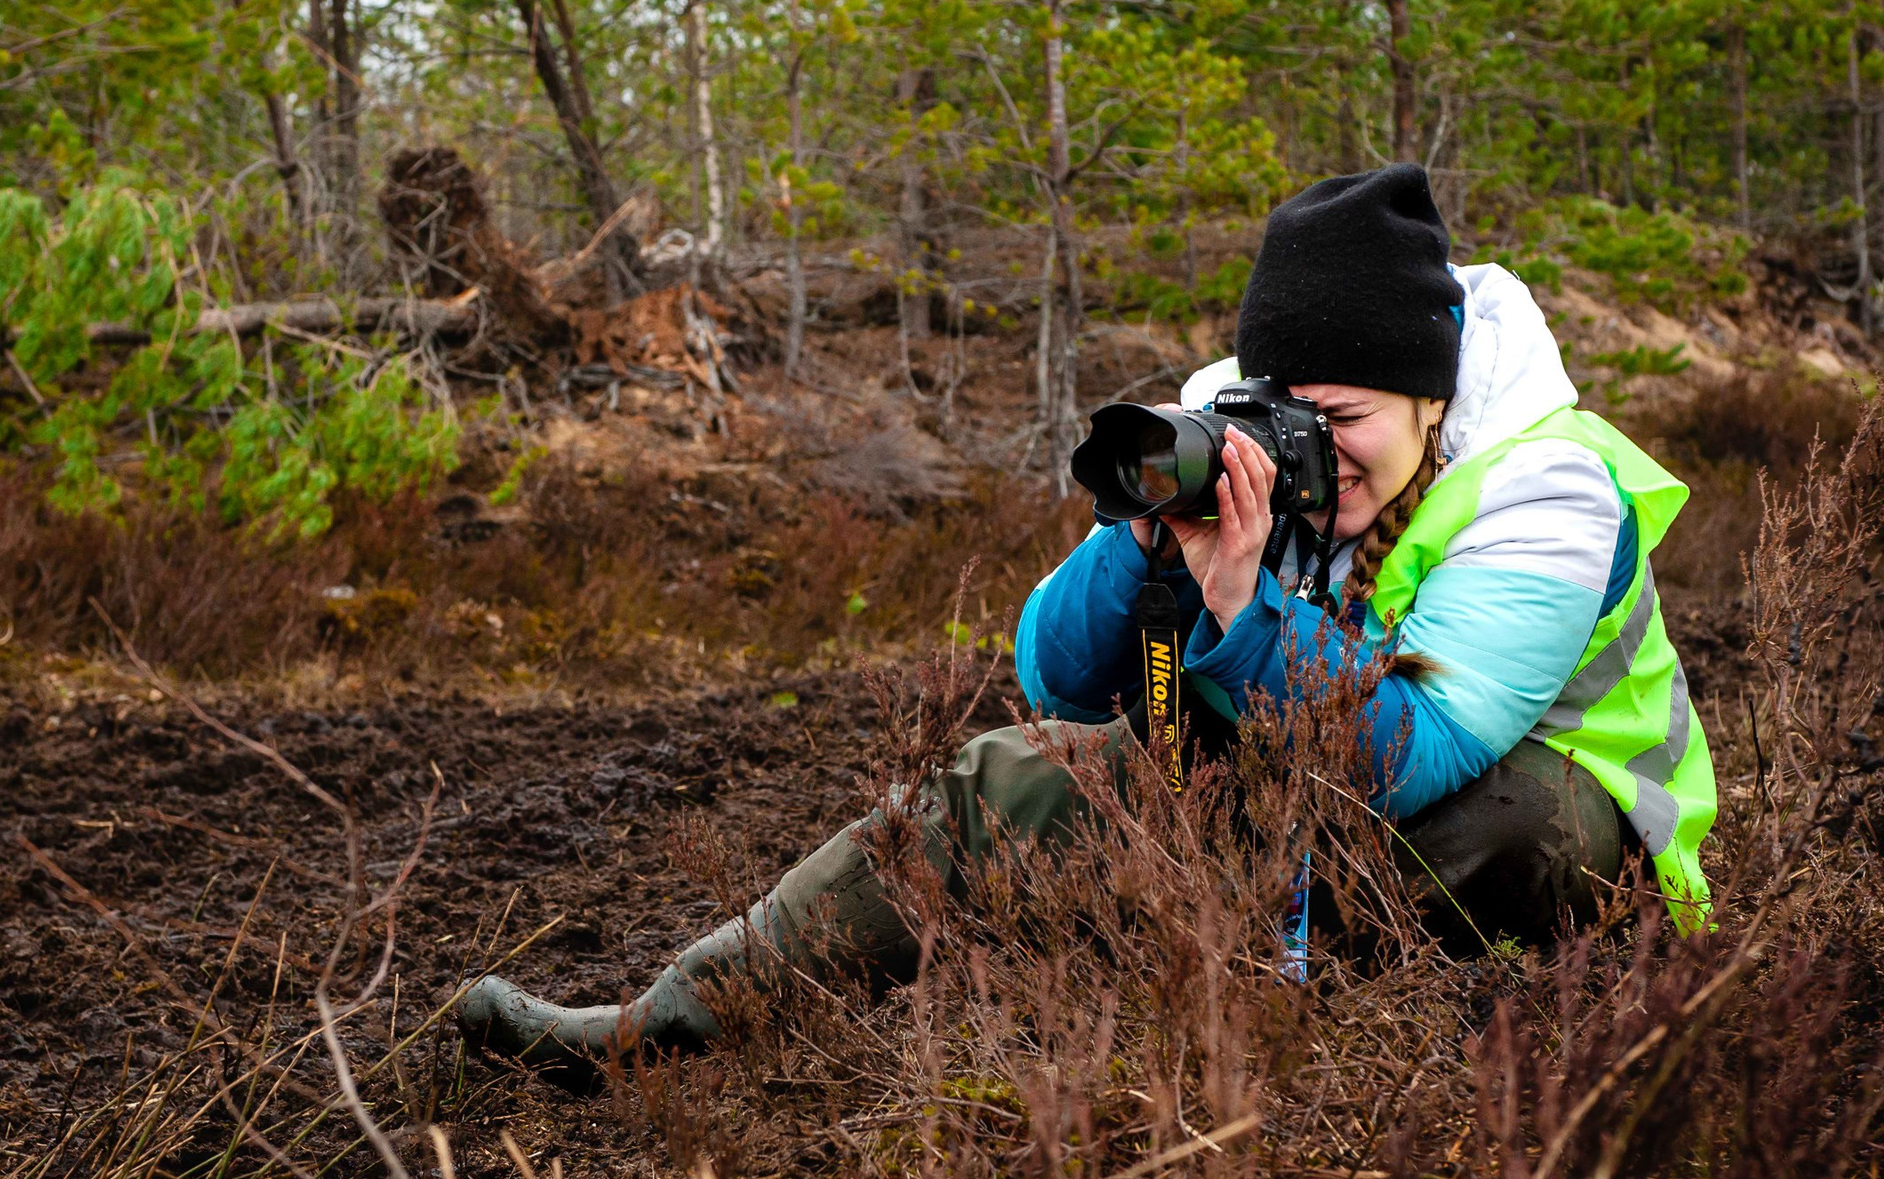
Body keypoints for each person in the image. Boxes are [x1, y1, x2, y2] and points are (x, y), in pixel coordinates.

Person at [458, 165, 1715, 1071]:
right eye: (1294, 416)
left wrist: (1243, 606)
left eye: (1347, 421)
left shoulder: (1544, 485)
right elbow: (1057, 677)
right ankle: (662, 1026)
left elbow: (1421, 750)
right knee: (1002, 781)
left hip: (1536, 843)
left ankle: (1290, 993)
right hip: (1308, 815)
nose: (1315, 452)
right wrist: (1149, 539)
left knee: (1516, 816)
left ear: (1433, 399)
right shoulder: (1236, 441)